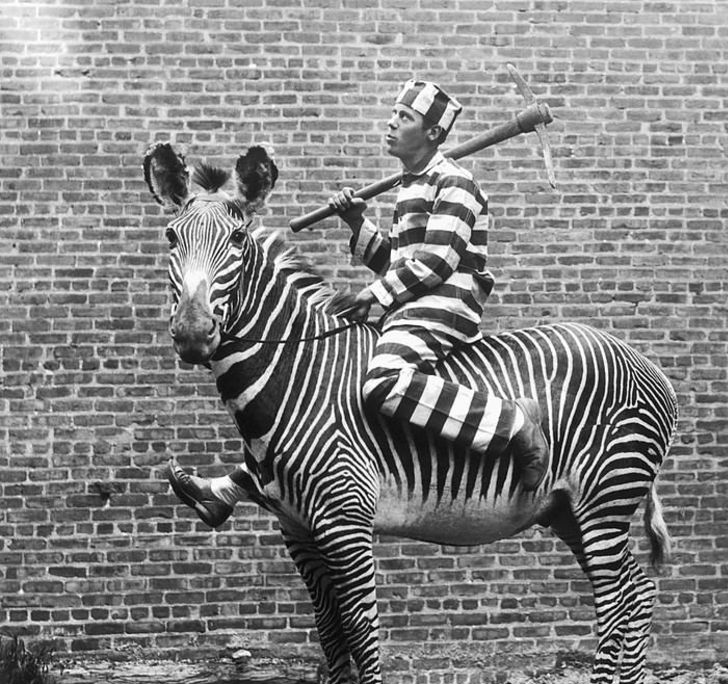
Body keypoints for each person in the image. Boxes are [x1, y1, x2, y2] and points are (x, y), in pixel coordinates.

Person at [168, 78, 549, 528]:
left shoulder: (456, 182)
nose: (391, 122)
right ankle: (232, 488)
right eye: (393, 113)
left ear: (431, 134)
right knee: (323, 404)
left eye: (404, 117)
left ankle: (513, 424)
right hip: (409, 306)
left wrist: (374, 296)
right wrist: (357, 222)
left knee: (384, 381)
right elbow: (396, 261)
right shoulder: (413, 186)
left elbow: (438, 262)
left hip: (444, 307)